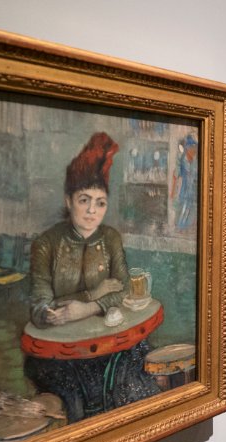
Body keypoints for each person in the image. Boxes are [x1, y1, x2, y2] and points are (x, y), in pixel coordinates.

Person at [24, 132, 161, 422]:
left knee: (131, 388)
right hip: (61, 357)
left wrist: (86, 308)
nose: (91, 211)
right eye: (84, 200)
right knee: (74, 409)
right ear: (68, 200)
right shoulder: (46, 244)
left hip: (111, 347)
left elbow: (123, 290)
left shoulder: (110, 238)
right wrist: (92, 294)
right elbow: (40, 307)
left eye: (100, 203)